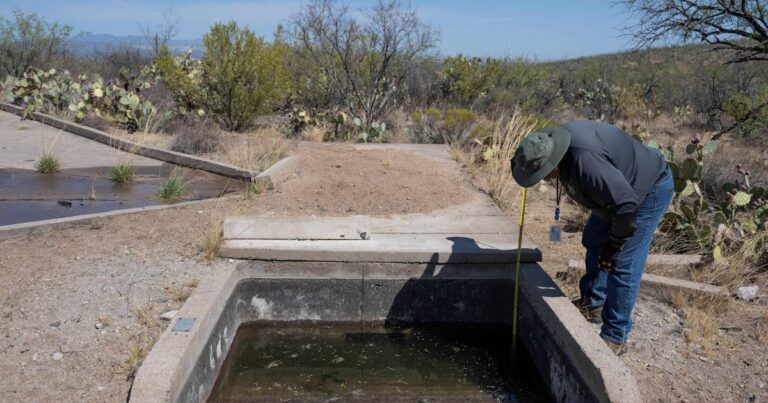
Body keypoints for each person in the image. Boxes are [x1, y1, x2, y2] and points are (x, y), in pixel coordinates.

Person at [510, 120, 674, 355]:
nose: (542, 180)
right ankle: (593, 303)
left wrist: (615, 244)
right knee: (594, 239)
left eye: (541, 175)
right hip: (617, 191)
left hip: (646, 191)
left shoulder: (586, 164)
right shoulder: (549, 141)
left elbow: (626, 207)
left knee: (623, 264)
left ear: (554, 165)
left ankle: (615, 335)